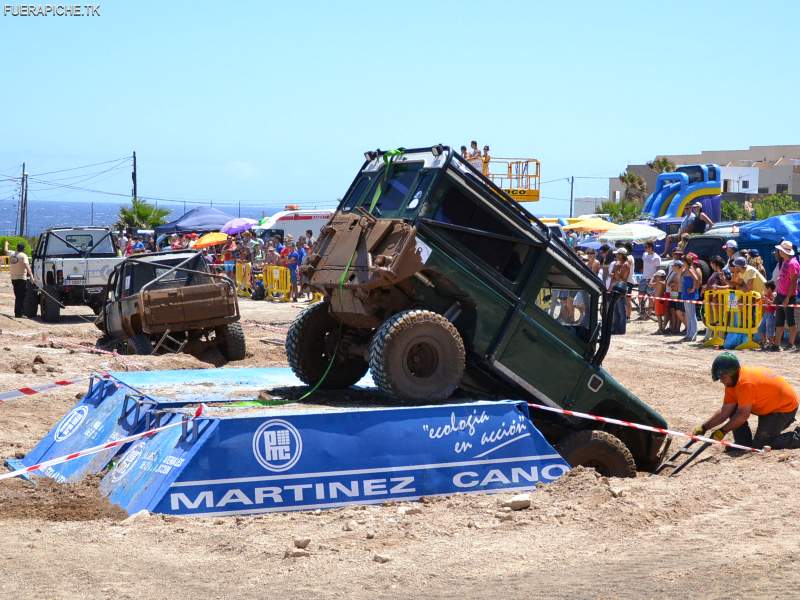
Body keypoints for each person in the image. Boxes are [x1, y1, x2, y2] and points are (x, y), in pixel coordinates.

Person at [693, 353, 800, 450]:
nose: (721, 381)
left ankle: (797, 437)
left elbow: (743, 414)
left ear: (732, 373)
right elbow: (725, 412)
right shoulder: (731, 383)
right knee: (734, 409)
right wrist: (704, 427)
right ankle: (743, 442)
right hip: (768, 405)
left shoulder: (744, 384)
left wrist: (723, 431)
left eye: (723, 377)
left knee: (762, 445)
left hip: (783, 409)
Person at [773, 240, 799, 350]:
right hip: (780, 294)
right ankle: (776, 344)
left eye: (780, 250)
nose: (778, 251)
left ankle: (791, 344)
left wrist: (788, 298)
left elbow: (794, 282)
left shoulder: (793, 263)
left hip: (788, 296)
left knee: (790, 321)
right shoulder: (785, 261)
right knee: (779, 320)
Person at [680, 252, 702, 342]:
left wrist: (693, 289)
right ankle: (689, 333)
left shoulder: (690, 269)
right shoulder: (685, 269)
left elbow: (696, 279)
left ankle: (693, 334)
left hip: (690, 294)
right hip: (686, 293)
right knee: (688, 315)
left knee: (692, 315)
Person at [9, 243, 34, 318]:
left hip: (13, 278)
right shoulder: (23, 255)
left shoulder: (12, 254)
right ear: (23, 249)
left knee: (18, 296)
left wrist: (6, 243)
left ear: (17, 248)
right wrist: (31, 276)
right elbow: (27, 266)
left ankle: (18, 313)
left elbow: (5, 250)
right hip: (21, 278)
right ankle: (20, 313)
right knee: (21, 296)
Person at [639, 241, 661, 319]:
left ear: (650, 248)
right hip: (643, 278)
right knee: (640, 296)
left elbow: (658, 270)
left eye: (646, 247)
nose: (645, 249)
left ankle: (649, 313)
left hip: (651, 279)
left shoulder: (657, 257)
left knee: (650, 297)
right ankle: (641, 312)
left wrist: (654, 280)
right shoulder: (644, 255)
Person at [610, 248, 630, 334]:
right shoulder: (619, 264)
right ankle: (615, 328)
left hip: (621, 287)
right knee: (615, 310)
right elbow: (613, 276)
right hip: (616, 287)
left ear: (622, 255)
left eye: (617, 254)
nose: (616, 256)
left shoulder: (625, 265)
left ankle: (621, 329)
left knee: (621, 310)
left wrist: (616, 269)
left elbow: (621, 279)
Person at [760, 281, 778, 350]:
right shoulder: (767, 294)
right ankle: (765, 342)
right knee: (761, 328)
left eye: (765, 288)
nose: (764, 290)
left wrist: (767, 300)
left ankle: (771, 343)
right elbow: (765, 304)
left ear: (769, 288)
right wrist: (763, 299)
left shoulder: (774, 294)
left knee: (770, 329)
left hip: (771, 313)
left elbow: (774, 304)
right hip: (766, 313)